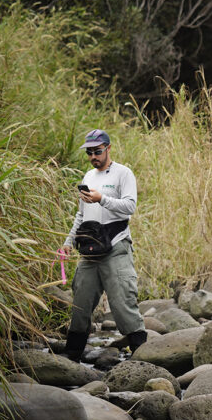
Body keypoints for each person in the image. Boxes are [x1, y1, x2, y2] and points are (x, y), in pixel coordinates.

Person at [59, 129, 147, 360]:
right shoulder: (88, 176)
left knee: (122, 302)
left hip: (116, 247)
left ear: (108, 148)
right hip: (89, 251)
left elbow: (130, 207)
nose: (93, 157)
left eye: (97, 151)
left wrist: (102, 199)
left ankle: (143, 353)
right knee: (80, 302)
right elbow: (81, 215)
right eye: (89, 152)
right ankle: (72, 355)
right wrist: (68, 242)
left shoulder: (123, 174)